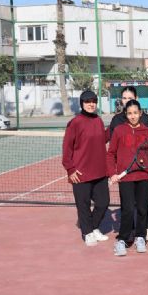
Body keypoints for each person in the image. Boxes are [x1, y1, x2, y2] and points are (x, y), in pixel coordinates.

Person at [107, 99, 148, 257]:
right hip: (126, 177)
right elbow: (111, 153)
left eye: (135, 113)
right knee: (127, 209)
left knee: (142, 209)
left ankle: (140, 237)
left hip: (144, 176)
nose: (133, 116)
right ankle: (122, 239)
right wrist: (112, 173)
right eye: (129, 113)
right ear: (126, 114)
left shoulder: (146, 131)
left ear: (140, 113)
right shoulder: (119, 130)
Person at [62, 90, 110, 247]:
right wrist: (70, 169)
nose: (91, 104)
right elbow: (67, 148)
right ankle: (88, 232)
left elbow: (102, 139)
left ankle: (93, 227)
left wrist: (114, 127)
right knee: (83, 205)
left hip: (100, 171)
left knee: (103, 203)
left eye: (94, 101)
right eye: (88, 102)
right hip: (81, 173)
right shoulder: (75, 122)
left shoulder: (98, 120)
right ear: (81, 104)